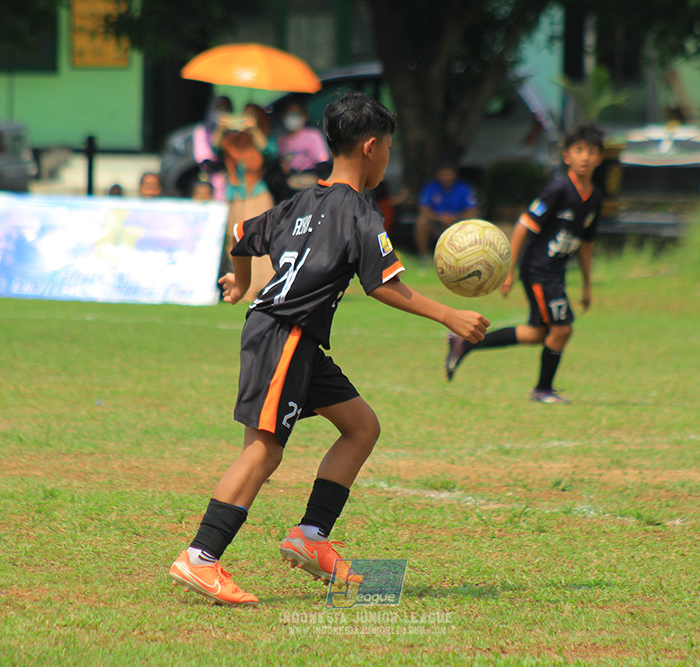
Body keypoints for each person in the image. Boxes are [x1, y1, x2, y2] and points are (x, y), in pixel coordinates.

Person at [168, 92, 489, 606]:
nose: (387, 158)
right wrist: (450, 315)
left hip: (292, 336)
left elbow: (241, 234)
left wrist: (240, 281)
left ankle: (310, 537)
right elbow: (382, 284)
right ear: (369, 148)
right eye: (387, 148)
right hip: (286, 335)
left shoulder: (303, 199)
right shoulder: (360, 213)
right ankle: (200, 557)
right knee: (264, 449)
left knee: (362, 426)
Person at [443, 125, 605, 404]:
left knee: (538, 333)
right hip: (539, 270)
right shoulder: (558, 190)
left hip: (556, 273)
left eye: (591, 151)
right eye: (579, 150)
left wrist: (588, 285)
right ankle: (543, 389)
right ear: (567, 155)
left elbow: (586, 244)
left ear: (600, 158)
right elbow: (523, 225)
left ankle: (466, 342)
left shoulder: (595, 198)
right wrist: (509, 270)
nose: (585, 157)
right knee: (562, 329)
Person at [211, 103, 278, 299]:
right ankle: (239, 286)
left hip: (257, 195)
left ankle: (262, 287)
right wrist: (221, 128)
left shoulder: (264, 135)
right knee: (235, 243)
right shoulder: (230, 139)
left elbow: (269, 153)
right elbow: (215, 150)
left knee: (259, 241)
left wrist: (254, 130)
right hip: (234, 196)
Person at [413, 162, 479, 257]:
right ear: (438, 175)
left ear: (455, 174)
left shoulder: (464, 188)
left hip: (459, 225)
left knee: (475, 221)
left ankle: (471, 255)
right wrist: (439, 218)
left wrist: (455, 218)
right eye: (443, 175)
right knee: (421, 222)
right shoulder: (430, 188)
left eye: (449, 174)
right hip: (437, 224)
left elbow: (473, 210)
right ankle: (423, 256)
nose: (447, 177)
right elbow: (423, 209)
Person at [277, 99, 330, 182]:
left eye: (296, 114)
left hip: (309, 179)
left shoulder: (312, 136)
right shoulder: (281, 139)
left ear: (304, 116)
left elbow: (322, 163)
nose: (292, 117)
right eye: (289, 113)